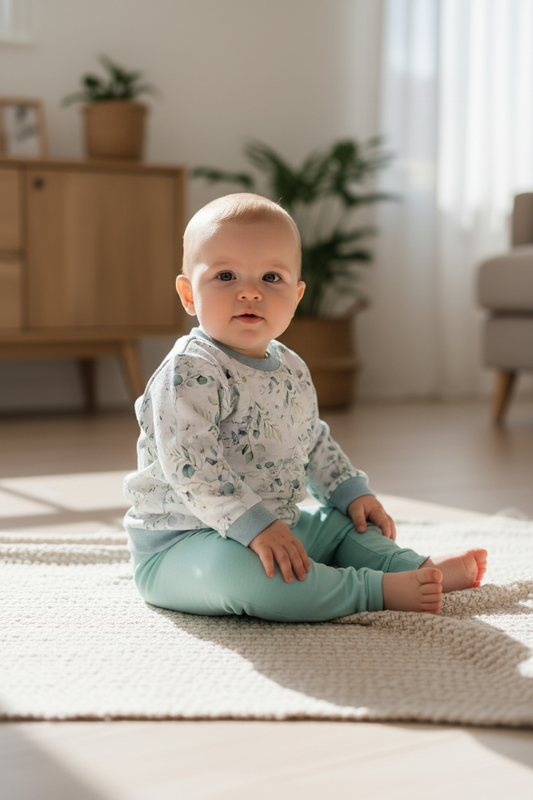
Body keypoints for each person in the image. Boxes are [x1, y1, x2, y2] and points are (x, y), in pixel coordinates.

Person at [123, 193, 487, 622]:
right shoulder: (189, 370)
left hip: (275, 524)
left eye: (271, 278)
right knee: (246, 577)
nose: (250, 292)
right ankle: (373, 590)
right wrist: (254, 526)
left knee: (342, 526)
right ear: (188, 294)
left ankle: (412, 568)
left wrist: (349, 490)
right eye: (225, 275)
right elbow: (192, 466)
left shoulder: (291, 367)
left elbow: (312, 440)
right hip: (184, 544)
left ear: (296, 296)